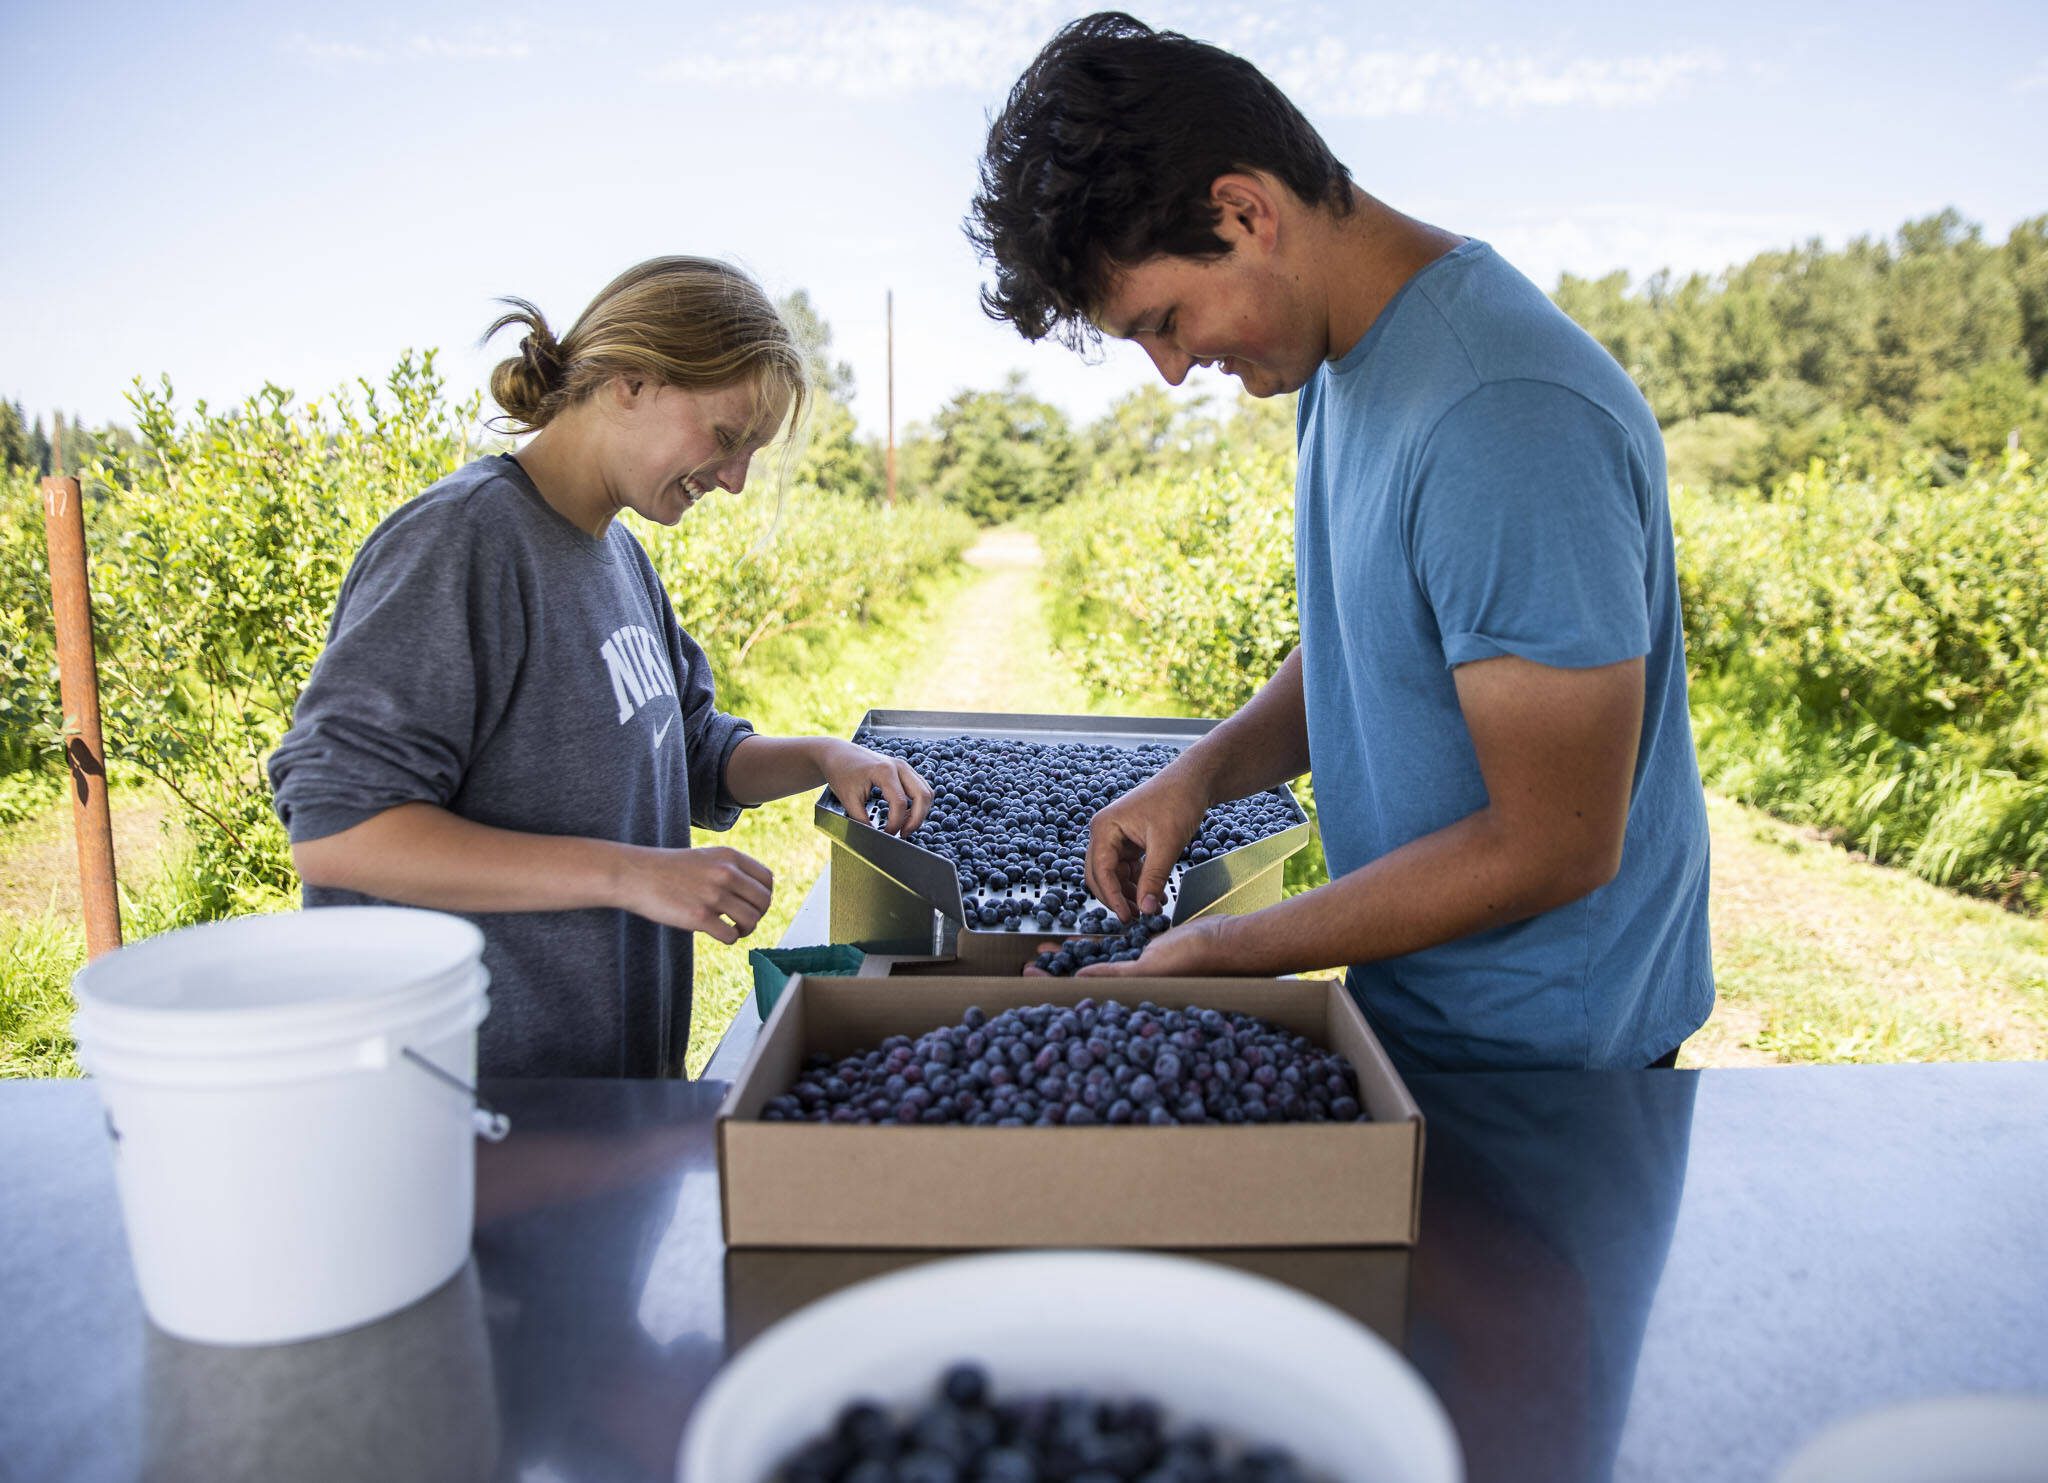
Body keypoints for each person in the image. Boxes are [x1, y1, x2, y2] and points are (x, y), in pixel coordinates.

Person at [967, 14, 1712, 1072]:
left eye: (1165, 321)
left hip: (1546, 1067)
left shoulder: (1500, 414)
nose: (1172, 371)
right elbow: (1370, 645)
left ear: (1242, 211)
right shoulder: (1341, 364)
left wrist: (1228, 947)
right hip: (1419, 1017)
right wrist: (1201, 774)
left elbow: (1555, 841)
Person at [268, 257, 933, 1078]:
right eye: (727, 439)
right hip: (478, 1102)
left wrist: (826, 755)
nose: (733, 480)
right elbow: (339, 833)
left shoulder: (616, 554)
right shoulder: (463, 544)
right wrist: (633, 874)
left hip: (605, 1090)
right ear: (630, 381)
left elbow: (692, 752)